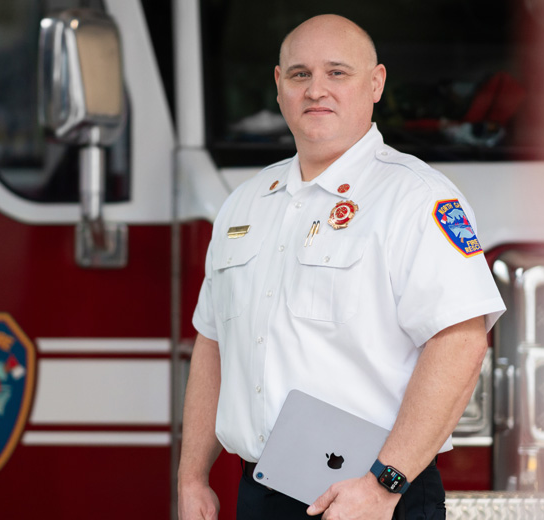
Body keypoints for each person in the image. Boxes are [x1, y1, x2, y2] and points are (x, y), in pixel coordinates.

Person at [178, 14, 505, 520]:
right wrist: (192, 476)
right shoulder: (244, 204)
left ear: (375, 84)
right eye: (300, 74)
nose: (316, 90)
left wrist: (384, 485)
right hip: (262, 491)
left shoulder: (417, 198)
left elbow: (460, 343)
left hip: (373, 497)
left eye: (337, 73)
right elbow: (213, 341)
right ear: (279, 85)